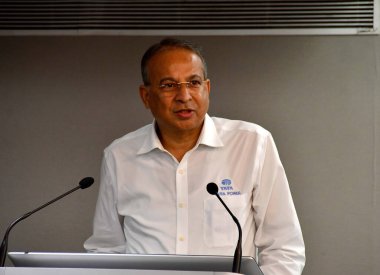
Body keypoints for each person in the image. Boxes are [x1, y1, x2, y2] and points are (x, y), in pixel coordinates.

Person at [84, 38, 305, 274]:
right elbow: (106, 251)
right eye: (169, 85)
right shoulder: (119, 156)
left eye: (194, 82)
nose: (184, 95)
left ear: (207, 89)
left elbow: (284, 247)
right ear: (146, 96)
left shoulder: (252, 143)